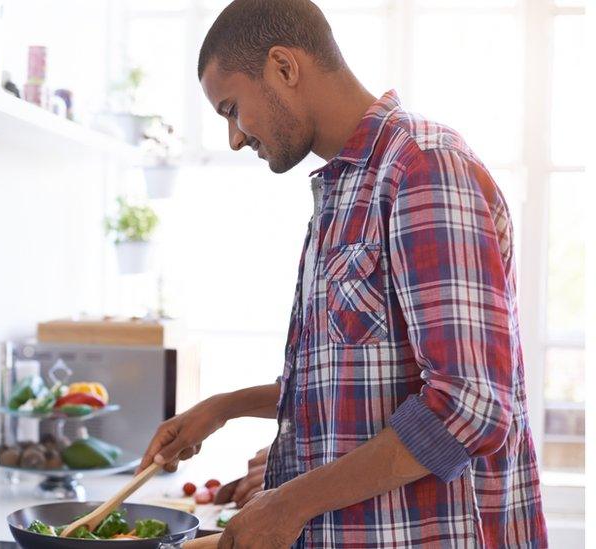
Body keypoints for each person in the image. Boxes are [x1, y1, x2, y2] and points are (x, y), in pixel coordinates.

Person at [136, 1, 548, 547]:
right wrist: (223, 409)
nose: (235, 138)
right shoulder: (342, 191)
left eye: (232, 109)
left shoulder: (423, 167)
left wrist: (292, 502)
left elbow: (468, 407)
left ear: (284, 66)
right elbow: (347, 385)